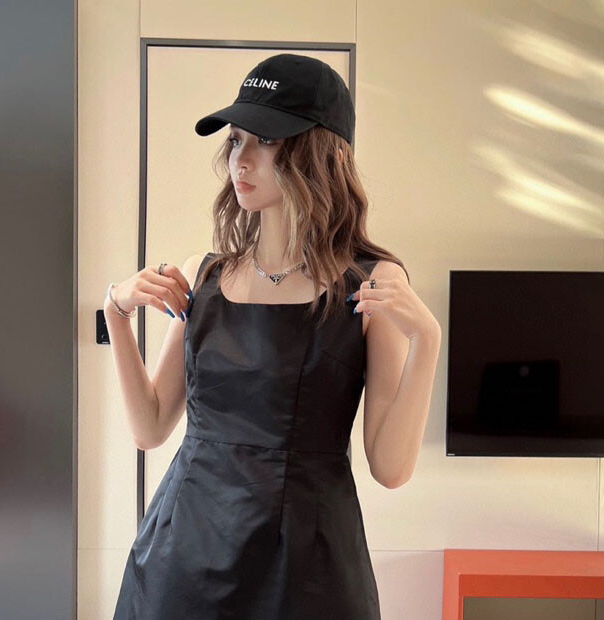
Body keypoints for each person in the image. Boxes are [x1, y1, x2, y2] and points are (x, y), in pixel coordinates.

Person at [106, 52, 441, 619]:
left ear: (325, 154)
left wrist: (427, 341)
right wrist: (116, 313)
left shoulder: (372, 284)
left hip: (307, 572)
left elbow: (390, 468)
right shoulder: (204, 275)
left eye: (266, 140)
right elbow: (151, 427)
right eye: (237, 140)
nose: (241, 158)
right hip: (184, 559)